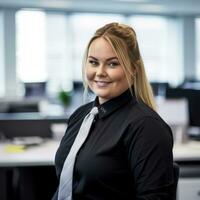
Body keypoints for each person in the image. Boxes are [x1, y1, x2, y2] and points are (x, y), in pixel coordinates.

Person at [52, 22, 174, 200]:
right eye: (93, 62)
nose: (100, 72)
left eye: (112, 64)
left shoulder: (146, 127)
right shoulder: (80, 116)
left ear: (133, 68)